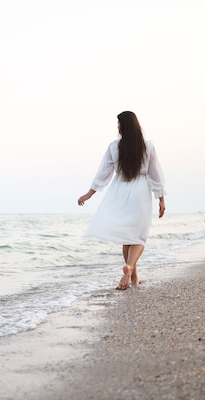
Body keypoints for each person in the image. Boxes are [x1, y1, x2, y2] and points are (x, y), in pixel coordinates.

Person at [78, 111, 166, 290]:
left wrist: (89, 194)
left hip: (119, 191)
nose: (117, 127)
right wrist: (161, 198)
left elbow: (104, 172)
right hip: (140, 192)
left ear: (122, 126)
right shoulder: (147, 147)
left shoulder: (114, 147)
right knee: (139, 237)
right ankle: (131, 269)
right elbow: (155, 174)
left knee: (127, 237)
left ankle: (133, 278)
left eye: (118, 124)